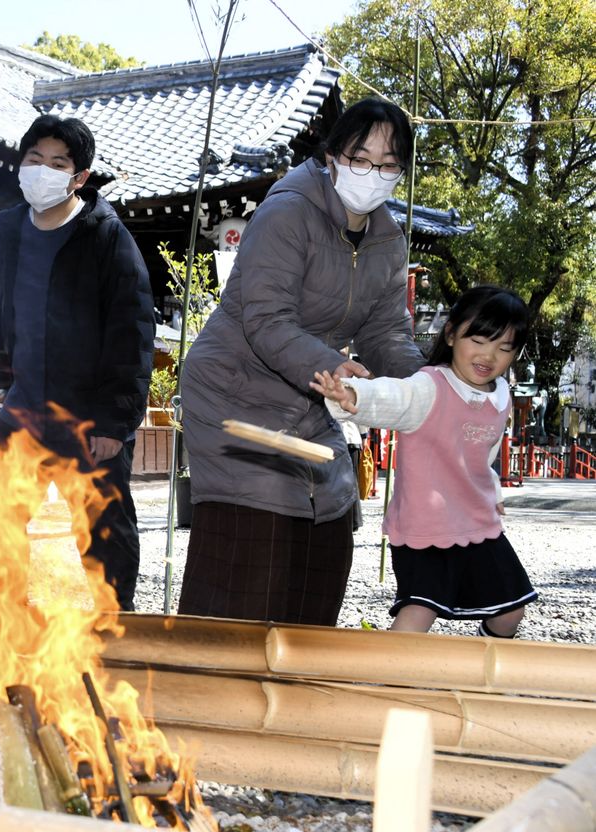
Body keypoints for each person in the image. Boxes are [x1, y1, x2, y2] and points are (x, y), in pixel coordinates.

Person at [178, 97, 425, 626]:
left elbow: (387, 333)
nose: (372, 173)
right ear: (334, 155)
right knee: (259, 531)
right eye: (361, 158)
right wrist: (331, 365)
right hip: (233, 390)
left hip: (313, 401)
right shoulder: (287, 210)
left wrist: (429, 386)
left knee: (331, 520)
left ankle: (297, 687)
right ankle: (210, 684)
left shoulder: (388, 240)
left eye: (387, 164)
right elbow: (265, 319)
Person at [0, 114, 155, 611]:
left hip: (89, 413)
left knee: (103, 528)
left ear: (79, 178)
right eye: (34, 159)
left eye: (58, 164)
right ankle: (7, 613)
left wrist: (114, 420)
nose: (42, 170)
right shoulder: (7, 229)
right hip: (27, 405)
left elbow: (133, 330)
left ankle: (115, 624)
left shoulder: (105, 236)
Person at [310, 285, 538, 636]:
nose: (488, 356)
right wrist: (353, 394)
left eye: (504, 347)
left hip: (477, 522)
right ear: (451, 334)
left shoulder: (501, 396)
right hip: (425, 526)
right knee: (419, 611)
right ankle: (385, 684)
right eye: (477, 341)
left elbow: (483, 455)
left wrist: (494, 492)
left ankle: (481, 676)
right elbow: (392, 397)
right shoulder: (430, 386)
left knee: (511, 610)